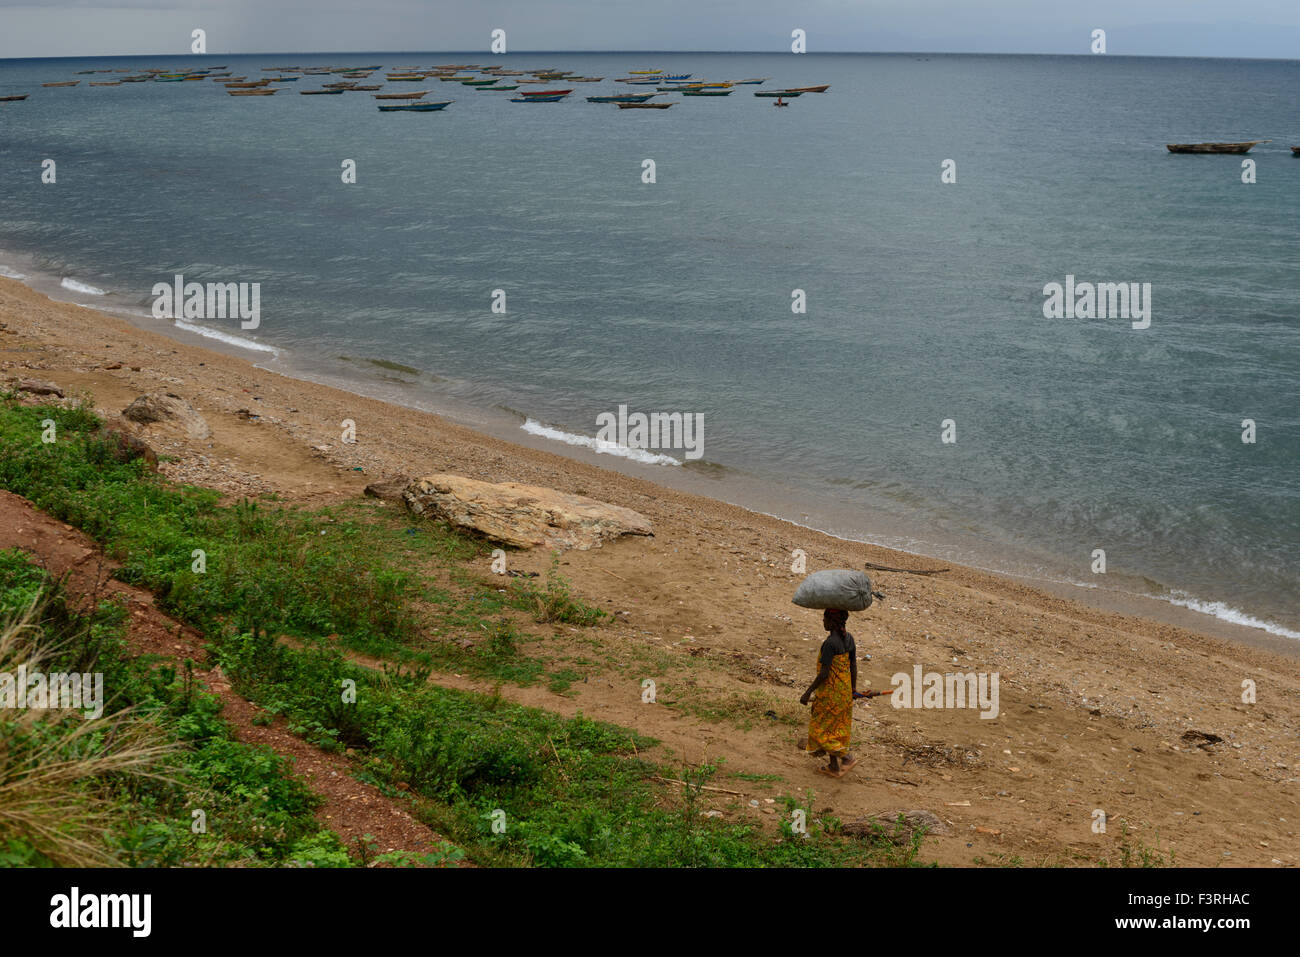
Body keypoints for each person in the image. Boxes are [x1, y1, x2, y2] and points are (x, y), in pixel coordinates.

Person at [799, 608, 858, 777]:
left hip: (830, 694)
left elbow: (824, 673)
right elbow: (853, 666)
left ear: (832, 622)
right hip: (844, 692)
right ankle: (833, 767)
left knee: (820, 730)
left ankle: (847, 758)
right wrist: (852, 690)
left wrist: (807, 692)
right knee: (834, 728)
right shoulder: (849, 639)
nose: (823, 622)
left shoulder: (830, 643)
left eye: (824, 619)